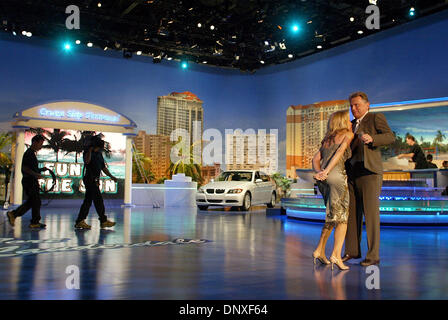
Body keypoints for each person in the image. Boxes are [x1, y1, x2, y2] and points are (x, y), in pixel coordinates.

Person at [343, 92, 395, 267]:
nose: (354, 108)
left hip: (370, 173)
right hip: (351, 175)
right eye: (351, 105)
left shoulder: (374, 118)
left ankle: (373, 256)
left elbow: (390, 136)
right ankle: (351, 252)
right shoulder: (350, 125)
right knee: (352, 215)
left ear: (367, 105)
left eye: (357, 105)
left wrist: (373, 138)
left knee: (371, 216)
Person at [312, 110, 354, 270]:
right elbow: (340, 152)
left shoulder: (327, 139)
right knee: (342, 218)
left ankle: (319, 251)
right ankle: (336, 255)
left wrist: (319, 173)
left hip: (324, 180)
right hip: (336, 177)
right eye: (348, 120)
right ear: (343, 121)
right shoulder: (348, 134)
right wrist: (327, 171)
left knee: (332, 215)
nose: (351, 122)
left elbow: (315, 159)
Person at [6, 135, 49, 229]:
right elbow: (25, 168)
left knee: (33, 201)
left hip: (31, 180)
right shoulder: (29, 154)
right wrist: (35, 174)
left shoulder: (31, 154)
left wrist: (40, 170)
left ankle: (32, 220)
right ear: (35, 142)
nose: (41, 146)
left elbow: (31, 168)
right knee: (35, 201)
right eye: (40, 144)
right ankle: (18, 215)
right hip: (29, 181)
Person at [75, 136, 117, 229]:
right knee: (98, 201)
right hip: (89, 179)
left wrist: (111, 176)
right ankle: (103, 221)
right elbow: (87, 161)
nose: (99, 149)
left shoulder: (99, 154)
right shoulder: (87, 152)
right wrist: (89, 151)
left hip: (95, 180)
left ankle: (80, 220)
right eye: (98, 147)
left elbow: (103, 168)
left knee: (88, 201)